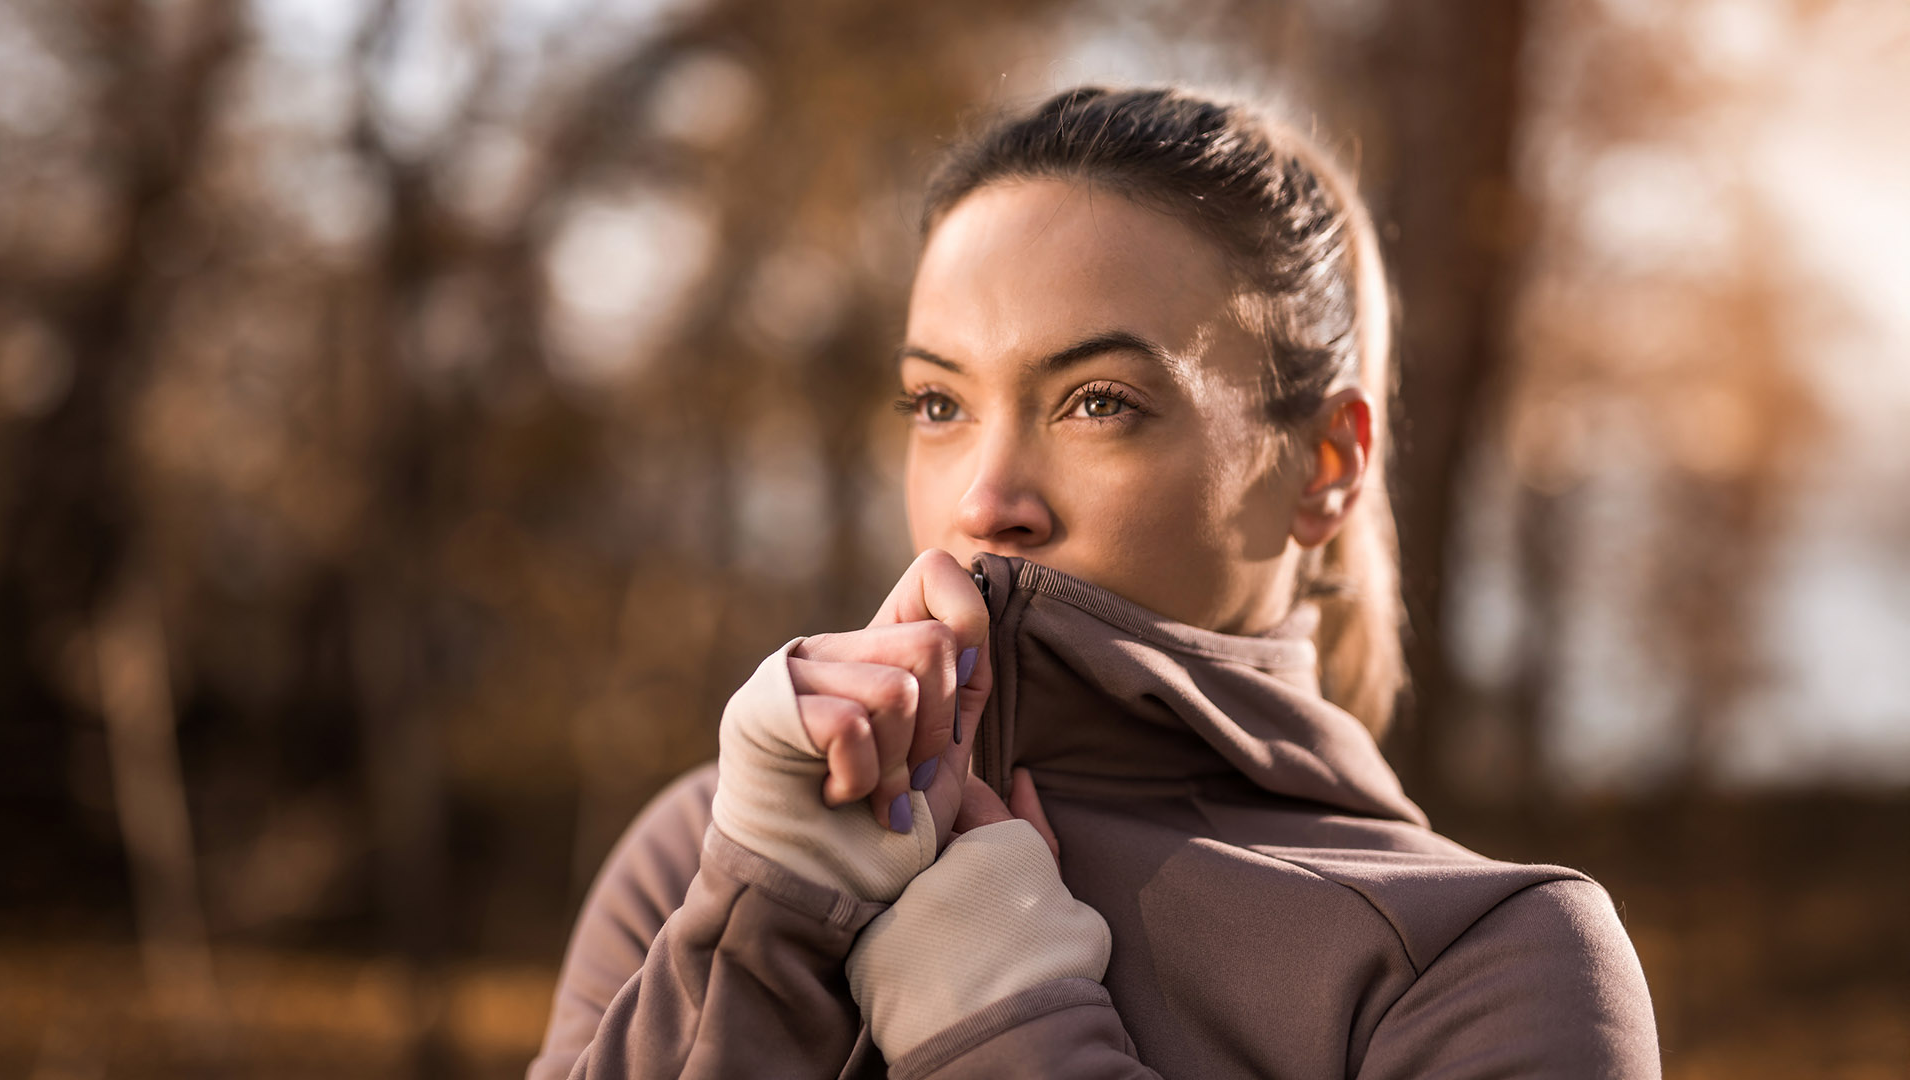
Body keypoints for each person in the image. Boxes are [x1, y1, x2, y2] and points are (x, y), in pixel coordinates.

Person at [527, 85, 1661, 1079]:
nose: (986, 497)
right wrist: (763, 927)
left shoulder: (1489, 960)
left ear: (1325, 466)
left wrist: (1001, 1024)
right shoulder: (710, 849)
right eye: (940, 404)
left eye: (1097, 402)